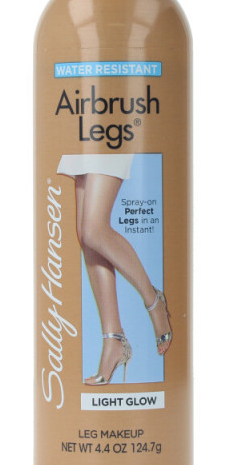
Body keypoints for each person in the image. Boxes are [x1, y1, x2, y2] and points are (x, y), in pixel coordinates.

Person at [57, 154, 172, 386]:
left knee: (94, 230)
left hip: (111, 136)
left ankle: (153, 301)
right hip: (84, 136)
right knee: (86, 235)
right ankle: (114, 340)